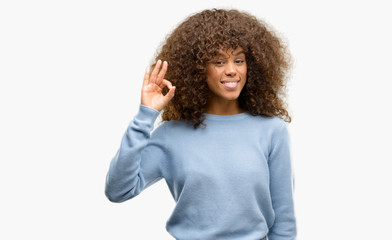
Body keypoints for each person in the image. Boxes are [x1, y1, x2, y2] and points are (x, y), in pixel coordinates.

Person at [105, 8, 296, 240]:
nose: (231, 70)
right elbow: (118, 191)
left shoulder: (271, 130)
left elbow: (283, 216)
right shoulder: (170, 135)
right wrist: (146, 115)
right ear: (197, 69)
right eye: (219, 61)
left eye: (239, 60)